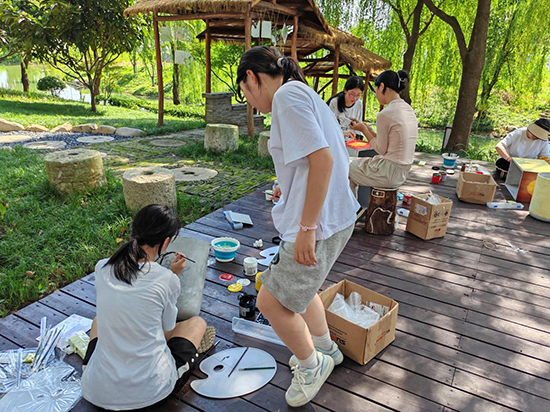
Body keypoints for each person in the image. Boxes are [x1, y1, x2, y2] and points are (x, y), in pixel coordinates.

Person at [236, 46, 359, 407]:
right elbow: (314, 161)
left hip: (318, 224)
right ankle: (326, 349)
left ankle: (311, 365)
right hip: (335, 216)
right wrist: (287, 186)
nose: (249, 101)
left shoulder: (286, 98)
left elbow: (323, 160)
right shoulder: (301, 93)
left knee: (270, 301)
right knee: (301, 291)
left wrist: (306, 228)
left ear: (252, 77)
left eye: (244, 92)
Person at [81, 205, 207, 411]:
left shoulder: (102, 267)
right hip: (150, 391)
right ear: (165, 242)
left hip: (97, 389)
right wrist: (173, 275)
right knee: (197, 323)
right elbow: (167, 329)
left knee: (98, 322)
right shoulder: (166, 279)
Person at [347, 69, 418, 193]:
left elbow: (381, 150)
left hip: (388, 172)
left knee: (344, 166)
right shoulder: (408, 109)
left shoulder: (385, 113)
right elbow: (388, 143)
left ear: (382, 86)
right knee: (352, 162)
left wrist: (363, 130)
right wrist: (369, 130)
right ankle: (353, 203)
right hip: (403, 171)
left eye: (375, 90)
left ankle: (348, 205)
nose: (376, 94)